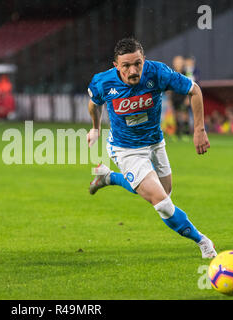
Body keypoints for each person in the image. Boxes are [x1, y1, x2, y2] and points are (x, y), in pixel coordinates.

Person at [86, 38, 217, 259]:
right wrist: (95, 128)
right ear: (116, 65)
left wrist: (199, 130)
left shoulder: (157, 72)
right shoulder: (103, 82)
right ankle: (204, 242)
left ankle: (108, 177)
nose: (133, 70)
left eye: (137, 63)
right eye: (126, 66)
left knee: (163, 192)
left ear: (144, 60)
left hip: (156, 143)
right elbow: (93, 104)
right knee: (163, 204)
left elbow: (195, 91)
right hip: (126, 150)